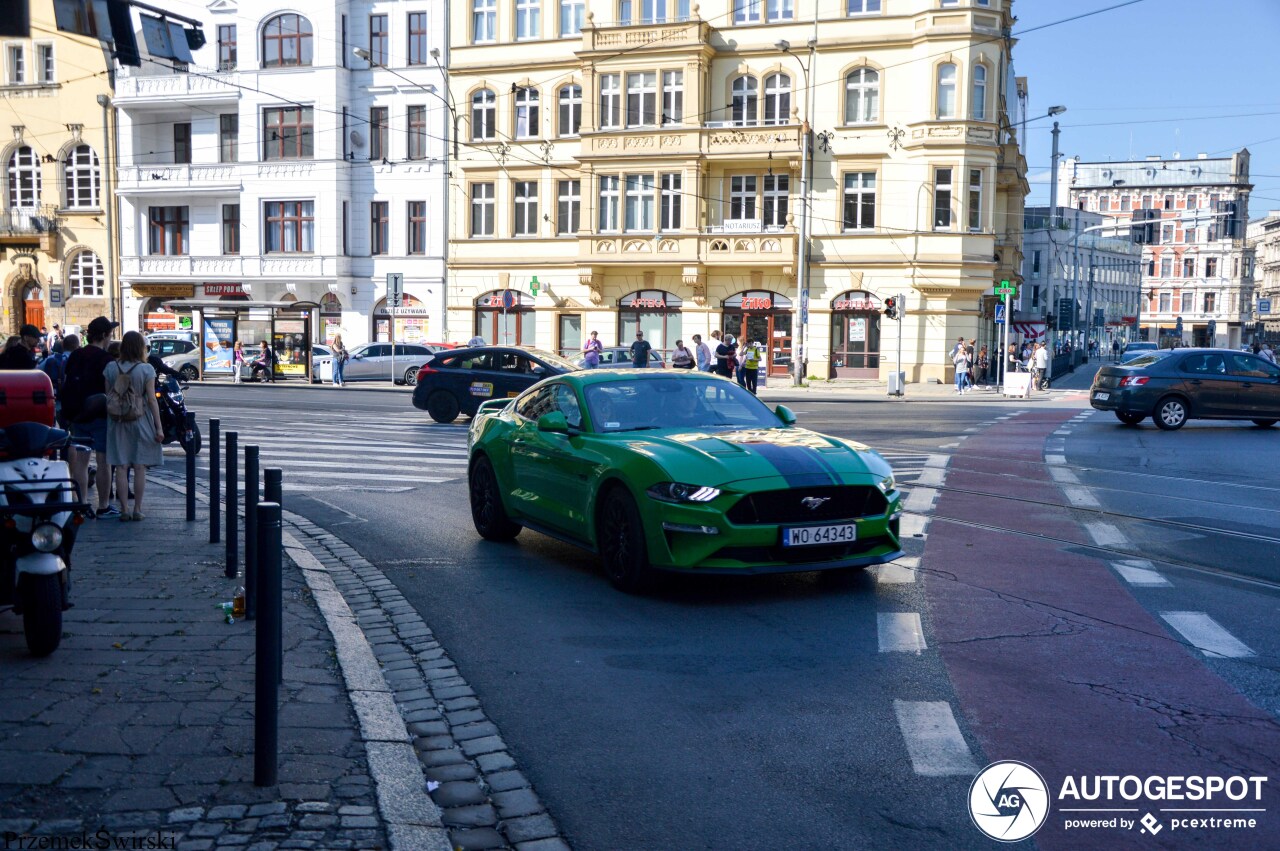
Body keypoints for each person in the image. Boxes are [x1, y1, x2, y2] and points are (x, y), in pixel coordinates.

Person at [61, 316, 119, 518]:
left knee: (80, 462)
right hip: (100, 415)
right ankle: (103, 506)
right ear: (104, 335)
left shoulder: (76, 355)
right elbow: (110, 391)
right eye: (110, 334)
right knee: (104, 461)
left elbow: (66, 381)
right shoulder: (106, 359)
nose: (111, 337)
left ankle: (82, 504)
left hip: (78, 414)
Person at [104, 331, 163, 522]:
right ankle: (137, 508)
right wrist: (158, 427)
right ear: (141, 348)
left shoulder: (110, 367)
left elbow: (108, 396)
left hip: (117, 421)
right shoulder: (146, 369)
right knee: (139, 466)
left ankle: (123, 509)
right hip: (141, 419)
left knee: (121, 466)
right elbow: (152, 400)